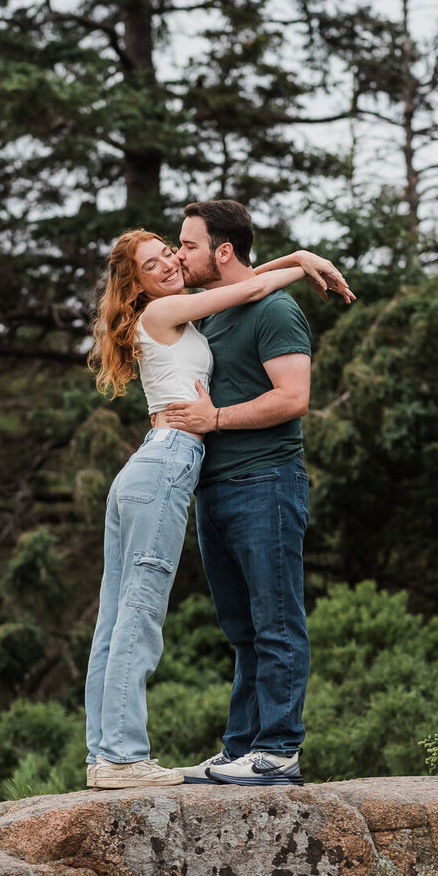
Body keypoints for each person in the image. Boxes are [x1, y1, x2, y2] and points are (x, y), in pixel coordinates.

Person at [84, 228, 351, 790]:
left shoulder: (175, 314)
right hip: (167, 463)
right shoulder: (168, 312)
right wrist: (302, 263)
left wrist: (295, 259)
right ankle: (123, 758)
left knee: (118, 616)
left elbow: (240, 281)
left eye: (172, 253)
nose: (170, 263)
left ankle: (107, 755)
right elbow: (237, 290)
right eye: (153, 262)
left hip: (156, 464)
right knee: (139, 615)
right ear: (134, 283)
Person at [164, 200, 338, 787]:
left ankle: (279, 749)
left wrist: (214, 420)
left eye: (187, 245)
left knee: (276, 620)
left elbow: (293, 398)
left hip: (266, 482)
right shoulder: (215, 311)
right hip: (214, 489)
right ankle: (241, 747)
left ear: (223, 251)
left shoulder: (276, 310)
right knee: (241, 629)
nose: (177, 254)